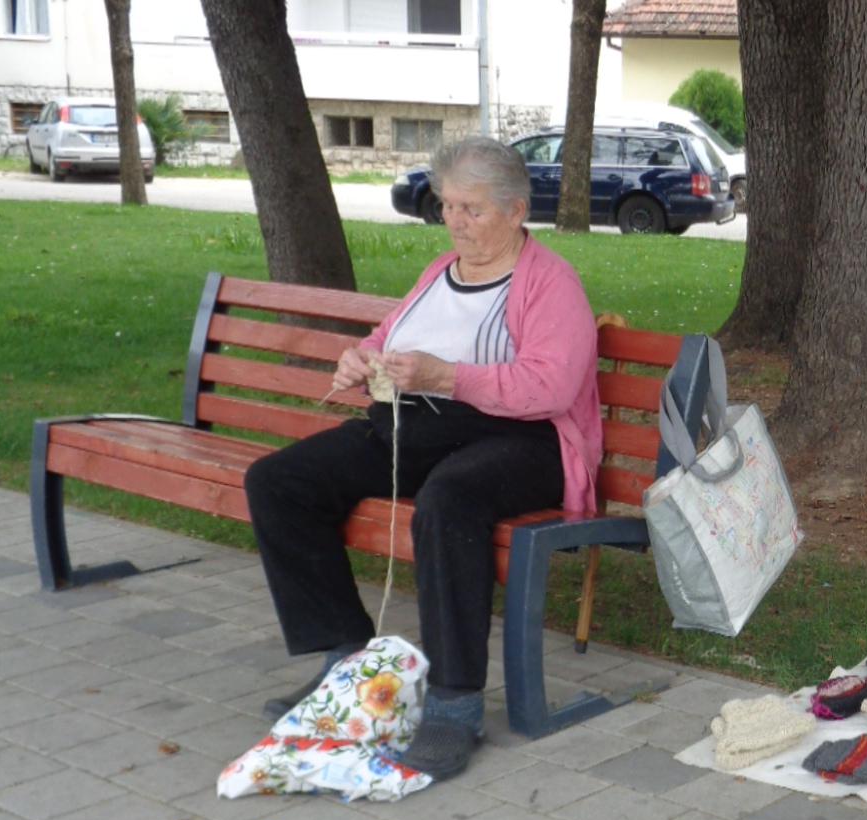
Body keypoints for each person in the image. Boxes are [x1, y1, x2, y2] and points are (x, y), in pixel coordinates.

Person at [244, 136, 602, 780]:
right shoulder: (441, 270)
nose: (455, 221)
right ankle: (347, 665)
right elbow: (389, 336)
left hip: (523, 440)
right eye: (448, 206)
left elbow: (550, 387)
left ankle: (455, 705)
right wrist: (361, 359)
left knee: (448, 500)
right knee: (279, 481)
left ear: (516, 210)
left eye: (472, 209)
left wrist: (447, 377)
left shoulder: (550, 283)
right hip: (418, 428)